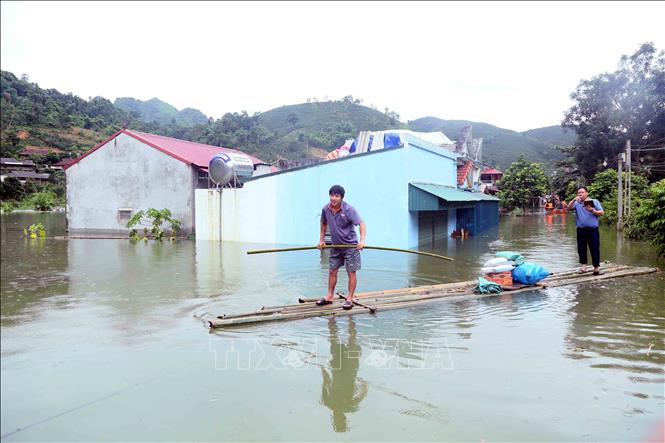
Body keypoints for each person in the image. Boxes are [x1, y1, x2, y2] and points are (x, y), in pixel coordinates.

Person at [316, 185, 366, 310]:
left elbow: (361, 223)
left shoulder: (349, 210)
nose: (333, 198)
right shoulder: (325, 209)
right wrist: (321, 240)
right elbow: (323, 223)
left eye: (337, 196)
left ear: (341, 198)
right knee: (332, 271)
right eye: (331, 195)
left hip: (350, 246)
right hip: (336, 246)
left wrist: (362, 241)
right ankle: (329, 296)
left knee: (351, 272)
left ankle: (349, 298)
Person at [567, 186, 605, 275]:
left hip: (593, 230)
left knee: (595, 248)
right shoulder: (576, 203)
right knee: (581, 249)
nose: (580, 194)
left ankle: (596, 268)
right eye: (579, 193)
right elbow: (568, 209)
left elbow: (602, 213)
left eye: (582, 192)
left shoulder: (594, 202)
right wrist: (573, 200)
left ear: (587, 193)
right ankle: (583, 267)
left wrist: (592, 210)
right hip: (581, 230)